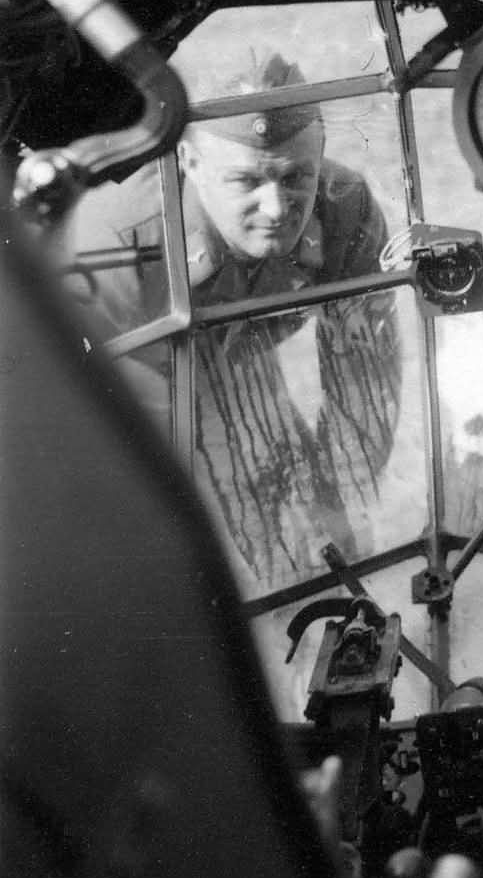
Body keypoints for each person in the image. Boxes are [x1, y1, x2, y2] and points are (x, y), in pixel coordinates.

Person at [73, 51, 402, 593]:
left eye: (297, 176)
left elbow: (366, 379)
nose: (276, 209)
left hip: (237, 348)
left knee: (322, 552)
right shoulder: (116, 249)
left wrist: (343, 514)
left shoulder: (347, 210)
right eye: (246, 181)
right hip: (139, 372)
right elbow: (89, 437)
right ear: (189, 161)